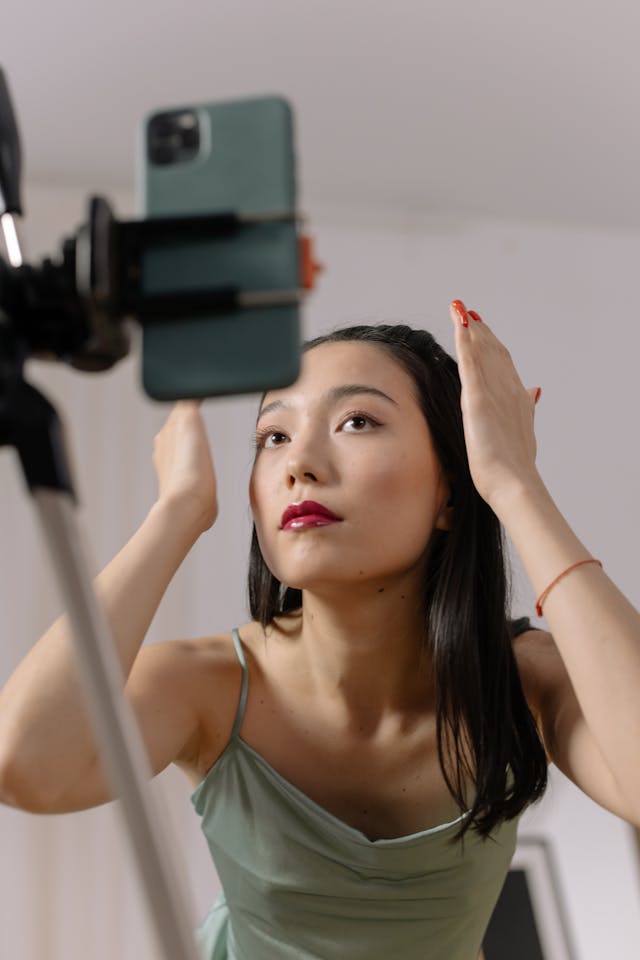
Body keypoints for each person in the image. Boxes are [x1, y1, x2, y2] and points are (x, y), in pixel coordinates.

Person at [1, 300, 639, 960]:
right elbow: (25, 768)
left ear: (451, 488)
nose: (298, 462)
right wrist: (177, 511)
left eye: (356, 421)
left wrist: (514, 483)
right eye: (273, 436)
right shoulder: (208, 687)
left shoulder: (524, 680)